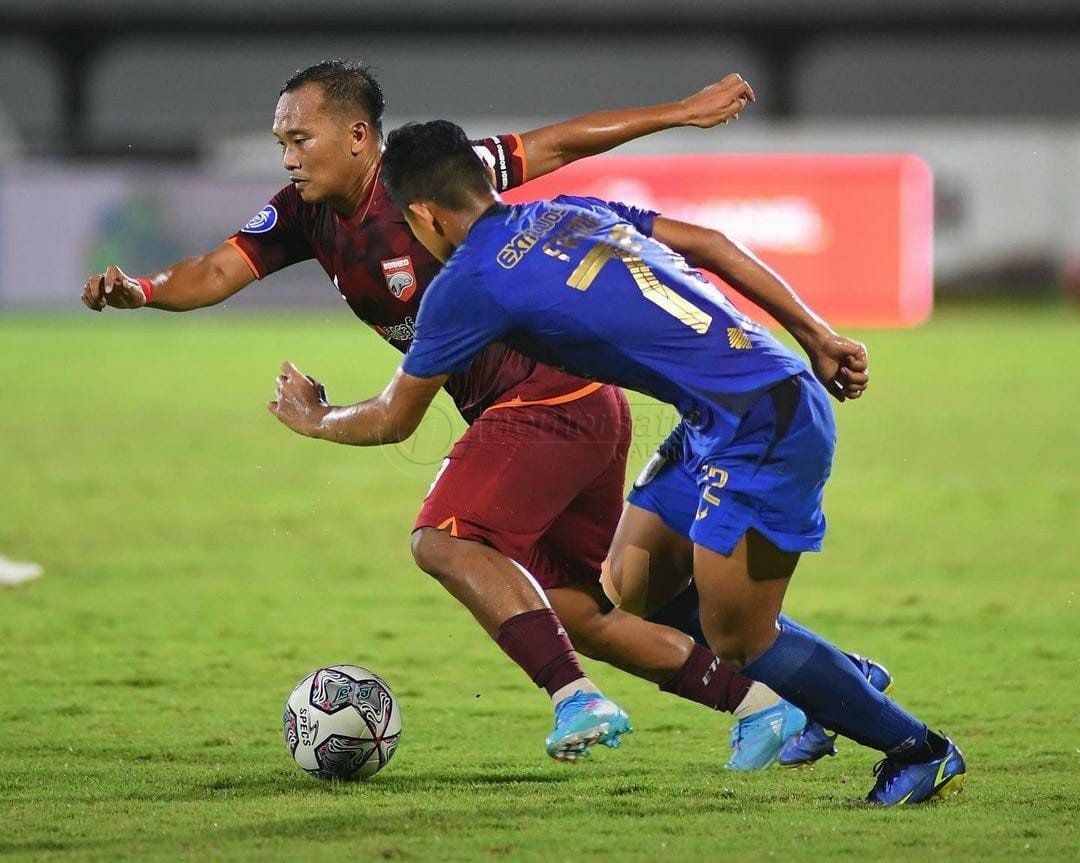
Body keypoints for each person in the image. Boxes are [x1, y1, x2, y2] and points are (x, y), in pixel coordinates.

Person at [81, 59, 813, 764]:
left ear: (359, 137)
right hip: (582, 411)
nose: (289, 158)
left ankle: (576, 699)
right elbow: (213, 269)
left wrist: (679, 113)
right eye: (281, 143)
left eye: (300, 139)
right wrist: (142, 290)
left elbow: (558, 140)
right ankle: (764, 706)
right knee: (579, 611)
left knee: (444, 538)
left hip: (544, 401)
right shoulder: (302, 214)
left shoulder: (426, 176)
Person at [268, 118, 967, 804]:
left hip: (763, 425)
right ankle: (837, 678)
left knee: (740, 638)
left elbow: (395, 416)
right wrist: (816, 333)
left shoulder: (466, 281)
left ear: (423, 215)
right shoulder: (567, 211)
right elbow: (713, 243)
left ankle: (920, 750)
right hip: (718, 416)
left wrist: (313, 417)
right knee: (630, 584)